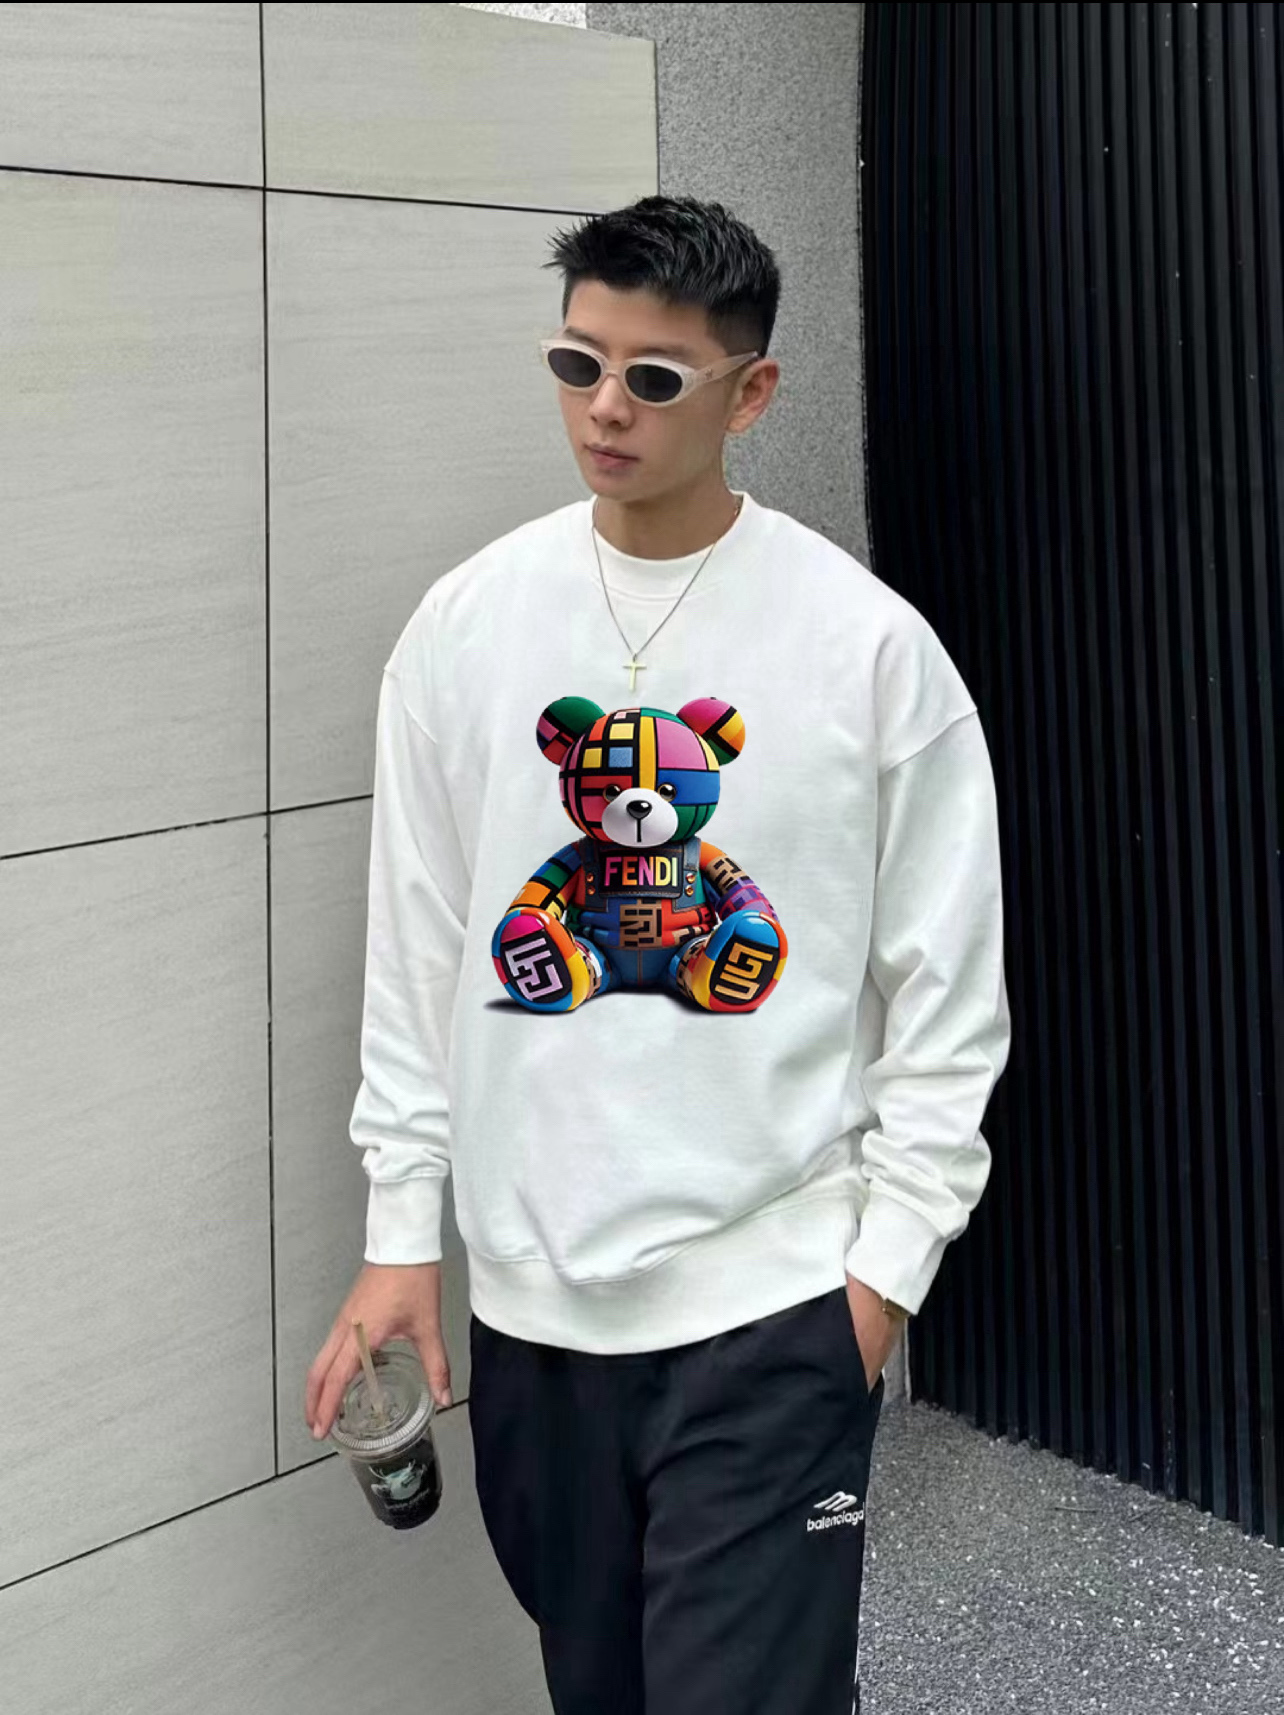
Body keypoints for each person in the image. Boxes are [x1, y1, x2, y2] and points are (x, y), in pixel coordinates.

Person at [305, 194, 1010, 1715]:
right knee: (599, 1690)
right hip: (533, 1320)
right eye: (578, 364)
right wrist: (401, 1230)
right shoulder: (465, 629)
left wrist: (881, 1281)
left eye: (653, 376)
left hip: (774, 1315)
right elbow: (421, 954)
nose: (605, 408)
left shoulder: (869, 651)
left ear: (751, 393)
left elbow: (951, 1003)